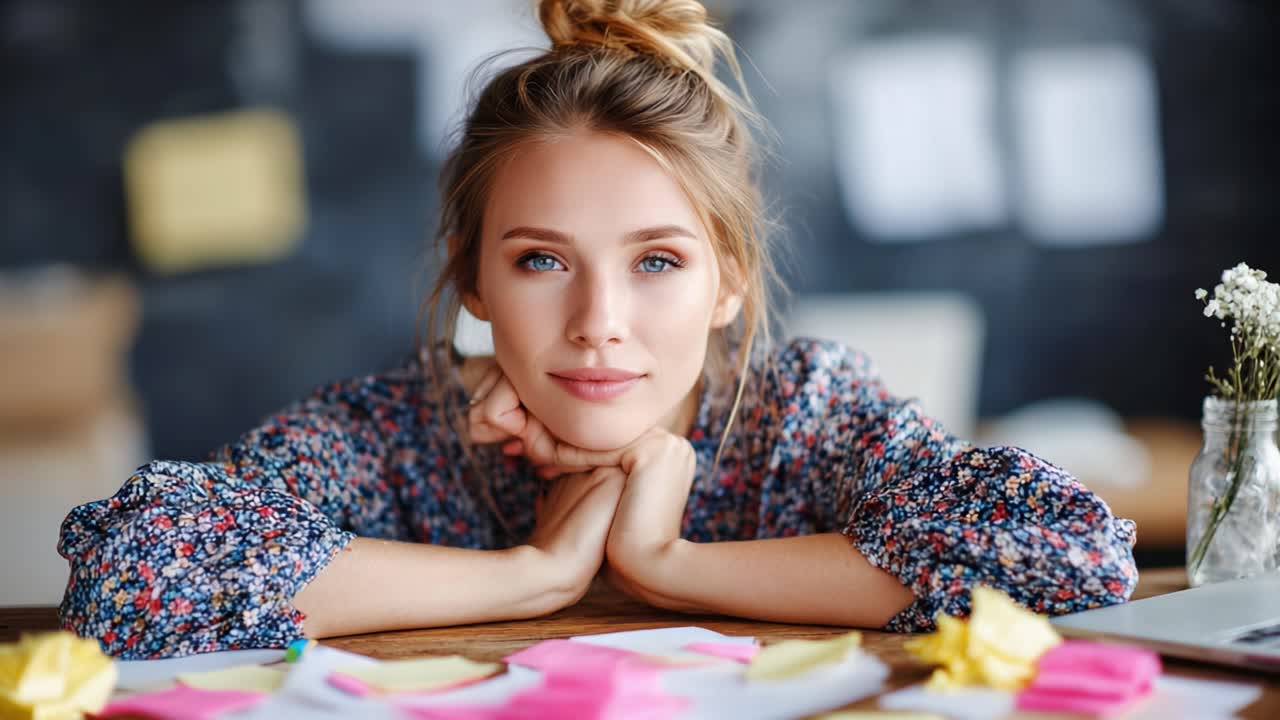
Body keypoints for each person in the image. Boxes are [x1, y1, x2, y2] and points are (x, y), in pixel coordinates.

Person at [57, 0, 1137, 660]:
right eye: (541, 261)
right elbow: (134, 577)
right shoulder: (399, 430)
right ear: (473, 280)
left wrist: (670, 563)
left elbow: (1065, 556)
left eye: (656, 262)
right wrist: (530, 574)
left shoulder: (799, 415)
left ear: (728, 282)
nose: (597, 327)